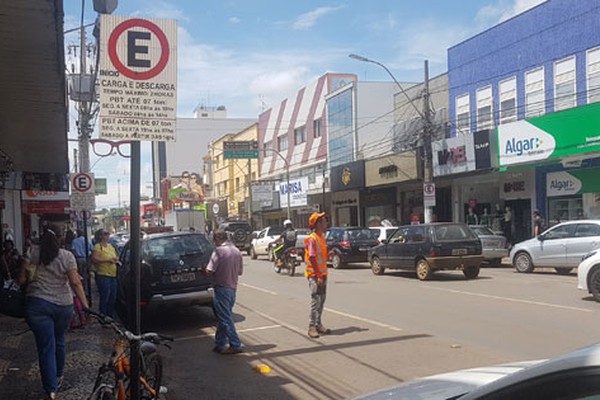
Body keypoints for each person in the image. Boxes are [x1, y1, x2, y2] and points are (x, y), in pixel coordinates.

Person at [18, 225, 89, 399]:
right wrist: (86, 307)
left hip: (37, 305)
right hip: (63, 306)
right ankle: (59, 375)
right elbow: (76, 283)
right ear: (61, 237)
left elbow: (21, 280)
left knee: (45, 348)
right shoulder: (67, 256)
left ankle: (51, 390)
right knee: (59, 340)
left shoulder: (32, 253)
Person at [204, 229, 244, 354]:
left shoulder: (218, 251)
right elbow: (240, 272)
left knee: (225, 318)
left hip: (221, 288)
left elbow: (210, 270)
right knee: (224, 317)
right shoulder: (237, 251)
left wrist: (203, 270)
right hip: (232, 288)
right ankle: (219, 343)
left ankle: (235, 344)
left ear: (217, 239)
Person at [304, 211, 331, 338]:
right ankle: (312, 327)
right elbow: (313, 257)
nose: (326, 222)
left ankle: (318, 324)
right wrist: (319, 275)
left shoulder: (322, 237)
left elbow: (320, 256)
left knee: (322, 300)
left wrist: (329, 255)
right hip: (315, 275)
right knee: (316, 300)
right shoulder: (312, 239)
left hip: (322, 273)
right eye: (324, 220)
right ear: (318, 224)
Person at [92, 229, 119, 317]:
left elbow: (115, 256)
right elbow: (95, 259)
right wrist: (108, 260)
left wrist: (115, 260)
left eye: (108, 234)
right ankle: (103, 316)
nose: (107, 236)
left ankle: (110, 316)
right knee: (105, 297)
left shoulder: (111, 246)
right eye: (105, 234)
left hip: (112, 275)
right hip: (103, 275)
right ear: (101, 236)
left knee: (113, 297)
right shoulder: (98, 246)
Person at [70, 230, 93, 295]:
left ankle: (80, 288)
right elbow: (92, 249)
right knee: (85, 274)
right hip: (85, 258)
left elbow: (73, 250)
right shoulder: (87, 240)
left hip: (78, 258)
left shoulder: (74, 241)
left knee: (79, 274)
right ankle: (85, 289)